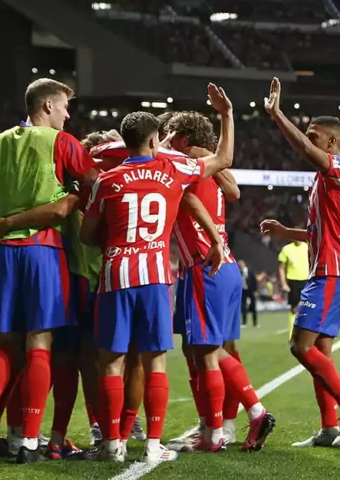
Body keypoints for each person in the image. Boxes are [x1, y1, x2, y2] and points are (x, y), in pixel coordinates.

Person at [80, 82, 234, 464]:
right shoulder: (174, 169)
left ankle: (111, 445)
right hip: (155, 276)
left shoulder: (106, 181)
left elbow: (86, 235)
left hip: (115, 275)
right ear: (154, 141)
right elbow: (223, 160)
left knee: (112, 362)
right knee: (155, 363)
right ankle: (152, 445)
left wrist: (114, 242)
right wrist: (226, 115)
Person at [0, 78, 98, 465]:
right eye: (64, 108)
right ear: (47, 106)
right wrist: (73, 194)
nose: (67, 115)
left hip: (5, 252)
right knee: (40, 343)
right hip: (45, 248)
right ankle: (29, 441)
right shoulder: (62, 142)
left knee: (6, 344)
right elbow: (94, 182)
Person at [260, 77, 340, 448]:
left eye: (314, 136)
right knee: (318, 353)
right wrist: (285, 232)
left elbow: (306, 150)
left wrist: (278, 116)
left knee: (300, 346)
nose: (308, 141)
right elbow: (317, 232)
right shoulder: (323, 180)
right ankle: (328, 427)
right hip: (330, 270)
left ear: (332, 142)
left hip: (332, 272)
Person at [165, 110, 276, 453]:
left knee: (208, 351)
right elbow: (234, 190)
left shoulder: (182, 167)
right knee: (201, 349)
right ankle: (215, 426)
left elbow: (188, 197)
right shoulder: (210, 170)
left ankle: (246, 416)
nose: (163, 138)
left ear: (183, 139)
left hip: (204, 265)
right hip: (221, 267)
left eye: (169, 132)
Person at [278, 235, 309, 339]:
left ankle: (306, 336)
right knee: (294, 309)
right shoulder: (286, 249)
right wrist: (283, 283)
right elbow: (281, 268)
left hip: (307, 280)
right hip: (293, 281)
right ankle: (292, 337)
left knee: (308, 308)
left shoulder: (308, 247)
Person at [239, 259, 258, 328]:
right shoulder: (239, 272)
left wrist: (255, 290)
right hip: (243, 290)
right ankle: (244, 322)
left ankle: (255, 322)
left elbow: (254, 281)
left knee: (253, 306)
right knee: (243, 306)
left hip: (251, 290)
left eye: (241, 264)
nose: (240, 266)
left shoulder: (250, 271)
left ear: (244, 264)